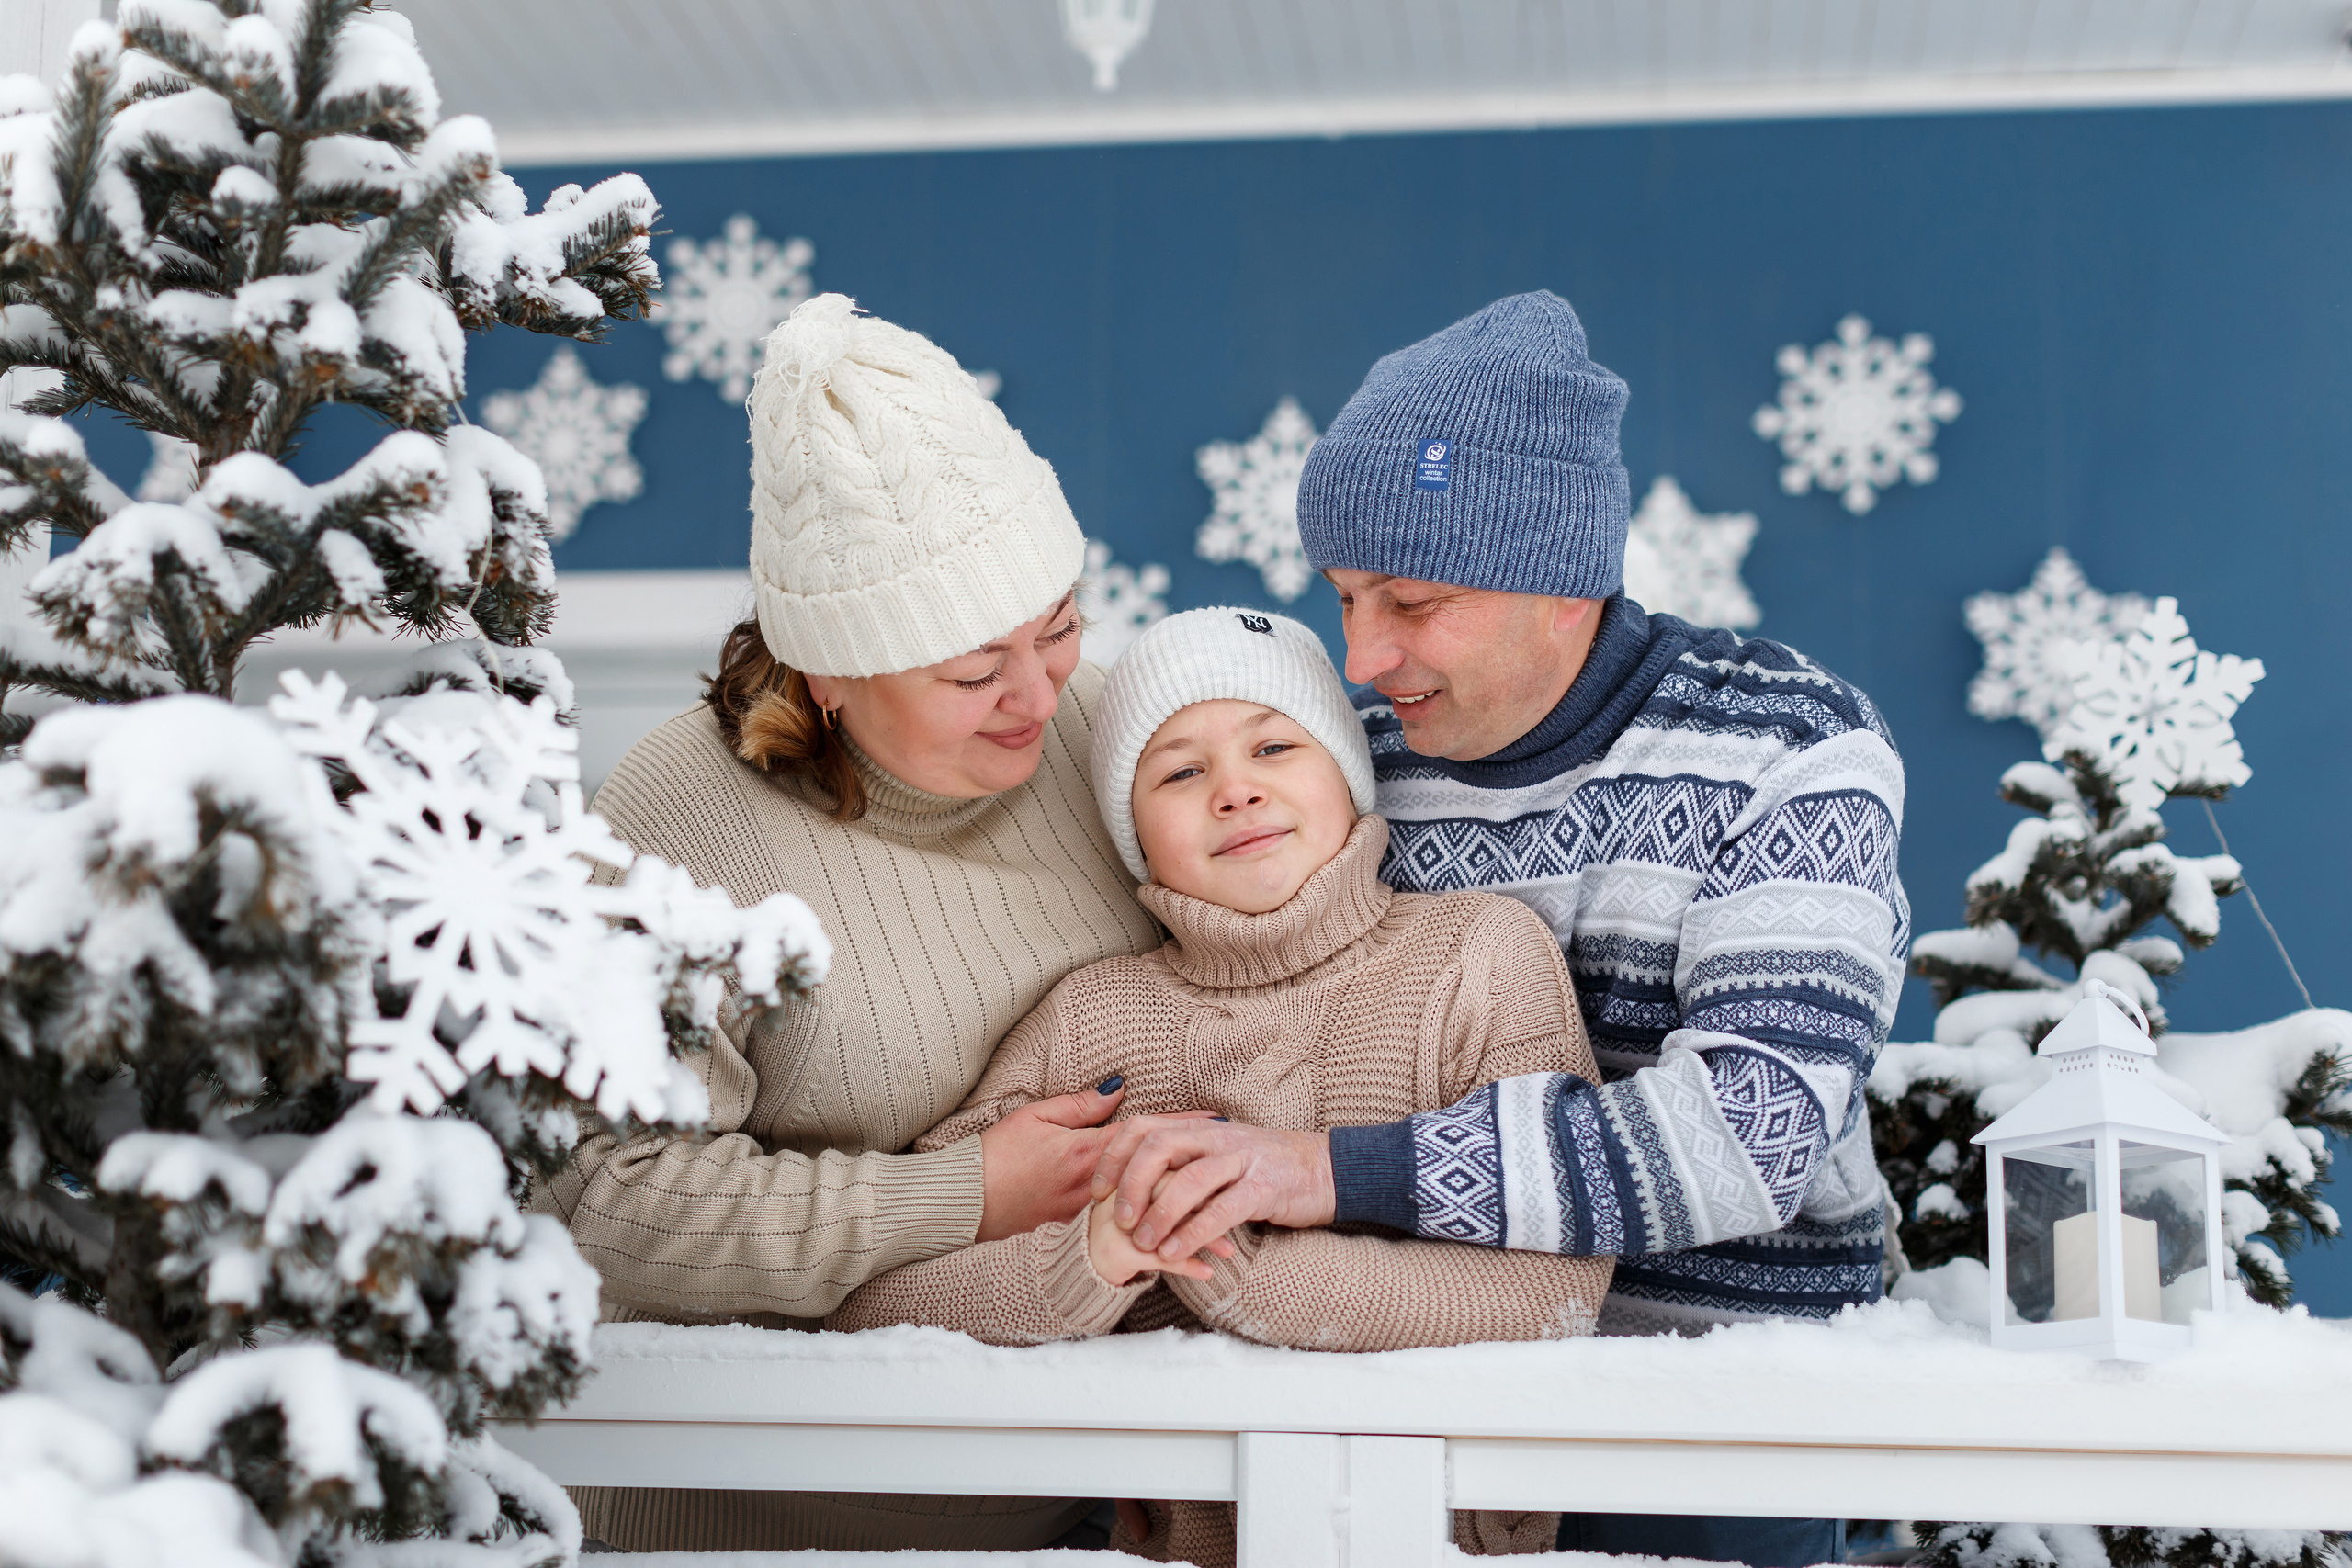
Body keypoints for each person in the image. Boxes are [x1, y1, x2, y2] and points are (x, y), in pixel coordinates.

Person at [1091, 292, 1908, 1568]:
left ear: (1564, 582)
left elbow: (1752, 1133)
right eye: (1347, 598)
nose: (1361, 657)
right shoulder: (1358, 768)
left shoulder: (1789, 748)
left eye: (1410, 602)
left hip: (1713, 1403)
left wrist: (1321, 1168)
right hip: (1418, 1388)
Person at [537, 294, 1176, 1553]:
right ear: (830, 671)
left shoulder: (1110, 733)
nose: (1038, 692)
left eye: (1058, 628)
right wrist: (963, 1194)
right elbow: (605, 1198)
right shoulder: (684, 810)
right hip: (747, 1512)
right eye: (970, 667)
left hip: (1060, 1510)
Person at [829, 606, 1612, 1566]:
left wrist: (1234, 1266)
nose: (1235, 792)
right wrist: (1096, 1255)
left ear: (1346, 776)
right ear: (1130, 835)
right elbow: (875, 1297)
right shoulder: (1090, 1020)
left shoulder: (1480, 958)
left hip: (1450, 1546)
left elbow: (1554, 1292)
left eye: (1275, 746)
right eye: (1180, 771)